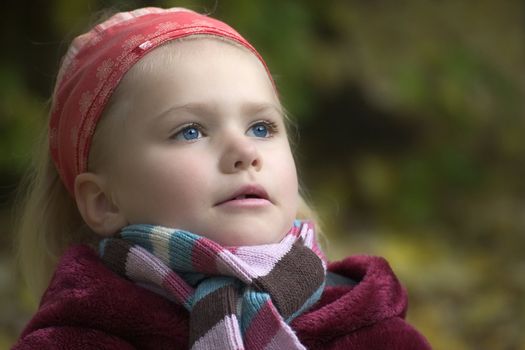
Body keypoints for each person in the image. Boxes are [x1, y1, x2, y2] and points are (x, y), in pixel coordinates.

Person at [13, 6, 431, 350]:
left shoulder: (366, 324)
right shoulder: (82, 333)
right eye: (190, 131)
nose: (244, 153)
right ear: (104, 201)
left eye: (262, 128)